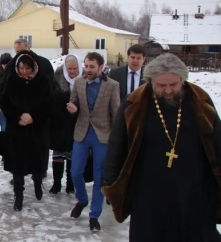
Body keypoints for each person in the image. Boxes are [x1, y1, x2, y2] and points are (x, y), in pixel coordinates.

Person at [102, 53, 221, 242]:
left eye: (173, 85)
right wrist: (110, 183)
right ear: (150, 82)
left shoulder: (200, 101)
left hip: (194, 190)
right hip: (148, 192)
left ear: (182, 80)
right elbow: (117, 146)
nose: (167, 90)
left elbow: (217, 142)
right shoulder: (134, 104)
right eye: (161, 85)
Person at [67, 52, 120, 232]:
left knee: (99, 177)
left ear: (101, 67)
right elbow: (73, 101)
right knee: (75, 172)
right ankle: (82, 200)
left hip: (103, 135)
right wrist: (72, 107)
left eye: (91, 67)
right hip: (81, 133)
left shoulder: (112, 86)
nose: (88, 70)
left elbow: (116, 113)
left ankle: (94, 215)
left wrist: (115, 140)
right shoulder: (79, 82)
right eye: (86, 66)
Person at [1, 51, 53, 211]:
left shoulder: (43, 81)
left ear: (34, 67)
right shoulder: (11, 81)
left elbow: (49, 104)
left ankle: (38, 182)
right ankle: (19, 194)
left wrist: (33, 117)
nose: (24, 71)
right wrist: (18, 116)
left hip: (37, 130)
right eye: (21, 68)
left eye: (27, 68)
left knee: (37, 162)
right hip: (17, 130)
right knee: (17, 165)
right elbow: (4, 103)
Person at [49, 54, 83, 194]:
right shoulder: (56, 79)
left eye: (75, 68)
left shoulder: (83, 80)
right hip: (58, 121)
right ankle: (56, 183)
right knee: (58, 154)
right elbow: (50, 98)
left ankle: (70, 183)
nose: (72, 71)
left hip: (76, 121)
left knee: (72, 154)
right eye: (69, 68)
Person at [0, 52, 12, 132]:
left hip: (13, 106)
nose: (5, 66)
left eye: (7, 63)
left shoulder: (14, 72)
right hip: (2, 107)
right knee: (4, 128)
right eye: (3, 64)